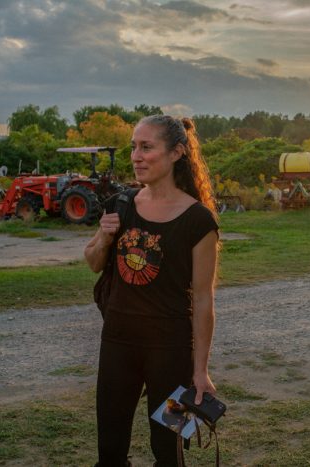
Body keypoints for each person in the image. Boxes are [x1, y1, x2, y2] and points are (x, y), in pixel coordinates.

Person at [84, 115, 219, 466]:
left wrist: (200, 371)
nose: (136, 156)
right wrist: (103, 236)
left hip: (172, 352)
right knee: (109, 451)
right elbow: (94, 263)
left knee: (170, 452)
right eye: (133, 147)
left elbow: (204, 299)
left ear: (176, 153)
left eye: (147, 147)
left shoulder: (199, 220)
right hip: (118, 344)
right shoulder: (121, 204)